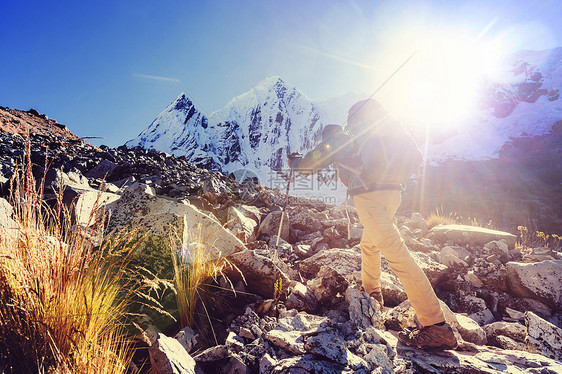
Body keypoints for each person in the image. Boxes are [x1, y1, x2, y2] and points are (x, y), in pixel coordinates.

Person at [288, 99, 458, 350]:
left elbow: (311, 163)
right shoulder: (380, 131)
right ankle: (372, 293)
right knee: (369, 245)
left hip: (369, 198)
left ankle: (436, 326)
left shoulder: (340, 138)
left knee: (398, 256)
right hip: (393, 195)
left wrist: (295, 163)